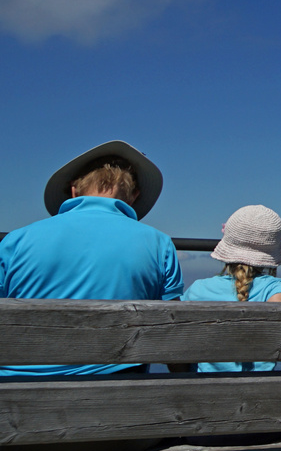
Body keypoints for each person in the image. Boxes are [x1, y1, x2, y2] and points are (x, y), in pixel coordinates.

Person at [0, 140, 182, 377]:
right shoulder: (160, 245)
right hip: (118, 397)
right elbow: (173, 335)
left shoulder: (15, 241)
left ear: (74, 191)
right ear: (134, 196)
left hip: (18, 398)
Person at [181, 205, 281, 451]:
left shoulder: (196, 291)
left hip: (201, 427)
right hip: (255, 426)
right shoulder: (275, 291)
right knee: (254, 423)